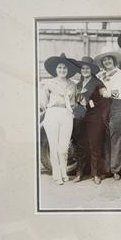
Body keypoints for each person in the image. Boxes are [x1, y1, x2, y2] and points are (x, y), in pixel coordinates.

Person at [40, 53, 78, 185]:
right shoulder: (49, 83)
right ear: (56, 69)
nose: (62, 70)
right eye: (60, 68)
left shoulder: (72, 85)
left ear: (68, 70)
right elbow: (43, 102)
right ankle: (57, 175)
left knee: (64, 148)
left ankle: (64, 172)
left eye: (65, 68)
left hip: (66, 114)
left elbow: (73, 102)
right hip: (52, 114)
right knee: (54, 146)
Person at [94, 48, 121, 181]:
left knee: (116, 135)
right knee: (105, 136)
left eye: (109, 59)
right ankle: (106, 168)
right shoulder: (100, 75)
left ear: (114, 60)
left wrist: (111, 92)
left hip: (118, 105)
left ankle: (116, 169)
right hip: (103, 106)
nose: (107, 61)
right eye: (104, 60)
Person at [72, 56, 109, 185]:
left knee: (95, 146)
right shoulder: (77, 85)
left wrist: (106, 93)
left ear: (91, 69)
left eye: (87, 68)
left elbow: (104, 94)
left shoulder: (97, 82)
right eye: (83, 68)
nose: (85, 70)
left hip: (94, 117)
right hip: (80, 117)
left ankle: (96, 174)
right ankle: (79, 173)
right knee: (81, 146)